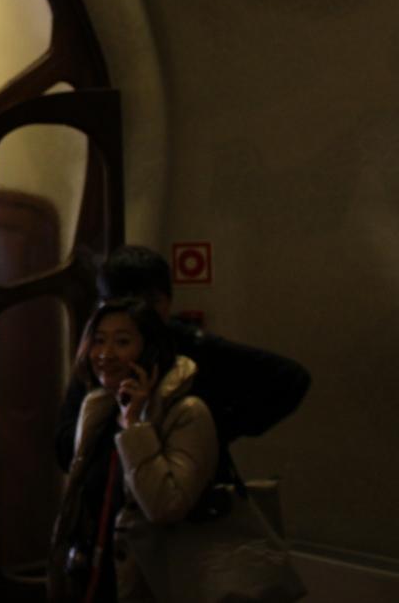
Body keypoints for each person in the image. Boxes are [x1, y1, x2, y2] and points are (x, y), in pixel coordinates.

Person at [54, 245, 310, 471]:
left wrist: (213, 432)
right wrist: (109, 423)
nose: (139, 318)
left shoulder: (190, 347)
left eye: (150, 304)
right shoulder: (99, 357)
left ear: (166, 302)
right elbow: (65, 450)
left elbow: (290, 379)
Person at [47, 299, 219, 602]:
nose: (105, 354)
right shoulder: (99, 408)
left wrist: (136, 428)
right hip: (96, 579)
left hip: (154, 584)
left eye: (122, 342)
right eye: (99, 341)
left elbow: (165, 506)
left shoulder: (186, 413)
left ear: (149, 350)